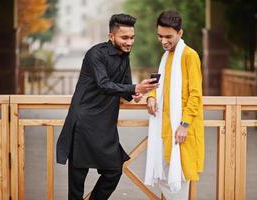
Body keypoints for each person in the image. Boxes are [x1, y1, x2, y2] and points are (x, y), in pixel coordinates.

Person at [56, 13, 157, 200]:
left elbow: (126, 88)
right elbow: (104, 84)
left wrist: (138, 93)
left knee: (113, 171)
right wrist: (134, 87)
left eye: (132, 37)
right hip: (83, 123)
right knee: (77, 183)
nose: (130, 42)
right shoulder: (95, 54)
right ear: (111, 37)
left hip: (105, 125)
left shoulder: (125, 56)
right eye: (124, 37)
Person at [144, 10, 204, 200]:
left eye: (168, 36)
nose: (163, 41)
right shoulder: (166, 57)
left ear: (180, 33)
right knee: (163, 174)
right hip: (165, 129)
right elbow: (159, 85)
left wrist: (184, 125)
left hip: (181, 130)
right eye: (160, 36)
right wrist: (151, 97)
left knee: (178, 182)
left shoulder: (189, 56)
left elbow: (196, 94)